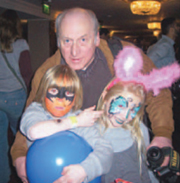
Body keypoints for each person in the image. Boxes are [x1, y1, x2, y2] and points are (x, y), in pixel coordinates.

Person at [11, 7, 174, 183]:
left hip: (128, 152)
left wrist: (163, 134)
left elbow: (158, 92)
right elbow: (31, 115)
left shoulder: (123, 54)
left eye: (83, 40)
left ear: (96, 38)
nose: (74, 52)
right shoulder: (47, 73)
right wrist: (20, 156)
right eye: (67, 41)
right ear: (58, 41)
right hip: (82, 161)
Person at [97, 46, 180, 183]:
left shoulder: (139, 130)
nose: (125, 116)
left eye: (134, 109)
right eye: (121, 105)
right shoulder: (92, 130)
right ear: (105, 97)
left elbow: (145, 170)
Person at [20, 64, 112, 183]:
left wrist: (84, 170)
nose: (60, 99)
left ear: (75, 99)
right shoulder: (35, 111)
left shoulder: (79, 117)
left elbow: (105, 149)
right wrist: (76, 121)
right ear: (43, 92)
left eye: (68, 94)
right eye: (53, 91)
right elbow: (34, 132)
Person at [0, 9, 32, 183]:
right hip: (16, 98)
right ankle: (27, 175)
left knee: (0, 145)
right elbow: (26, 73)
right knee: (22, 140)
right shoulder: (21, 44)